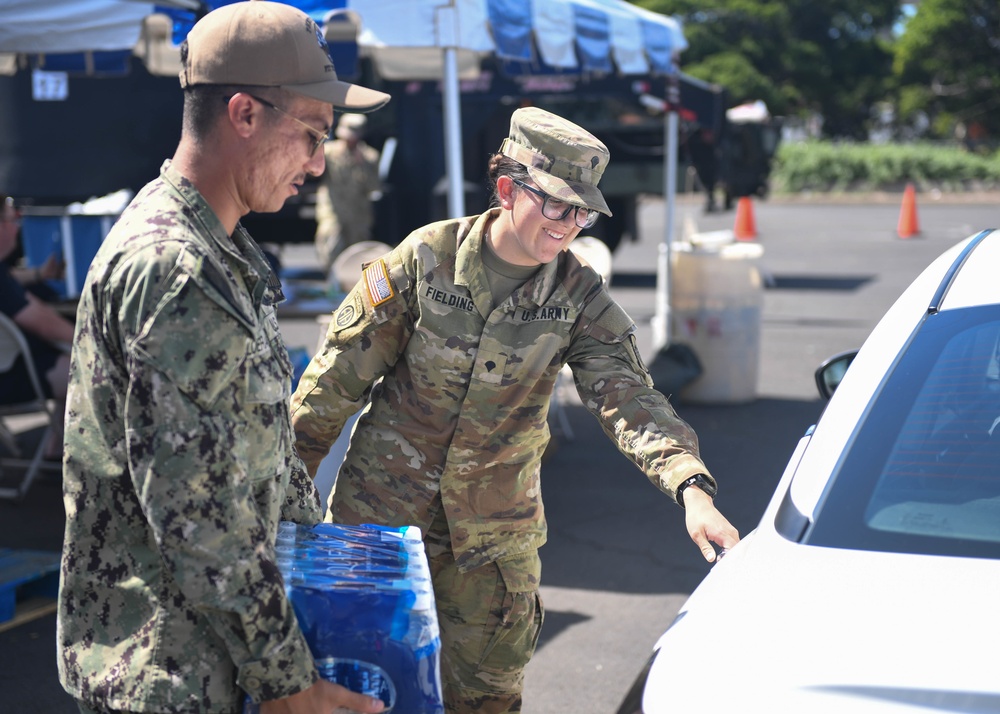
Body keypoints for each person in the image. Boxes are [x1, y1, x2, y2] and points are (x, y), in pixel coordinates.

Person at [290, 106, 741, 713]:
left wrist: (692, 489)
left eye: (581, 211)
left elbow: (628, 397)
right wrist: (282, 504)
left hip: (493, 545)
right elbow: (330, 388)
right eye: (556, 204)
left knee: (488, 701)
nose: (569, 224)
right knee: (366, 691)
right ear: (507, 189)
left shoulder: (579, 295)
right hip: (381, 529)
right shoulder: (426, 260)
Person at [56, 3, 390, 713]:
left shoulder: (219, 249)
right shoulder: (178, 268)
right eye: (310, 135)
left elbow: (258, 458)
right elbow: (198, 515)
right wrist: (288, 683)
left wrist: (321, 571)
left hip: (210, 661)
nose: (318, 162)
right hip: (175, 676)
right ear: (244, 114)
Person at [0, 194, 72, 459]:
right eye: (12, 218)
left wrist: (40, 274)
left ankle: (55, 446)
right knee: (87, 367)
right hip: (8, 380)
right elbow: (45, 326)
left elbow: (11, 279)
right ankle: (63, 450)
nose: (17, 226)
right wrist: (94, 344)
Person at [313, 112, 382, 274]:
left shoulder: (370, 157)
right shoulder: (328, 153)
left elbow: (374, 188)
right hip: (333, 209)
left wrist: (362, 165)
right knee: (331, 246)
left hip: (358, 213)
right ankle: (331, 282)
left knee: (358, 252)